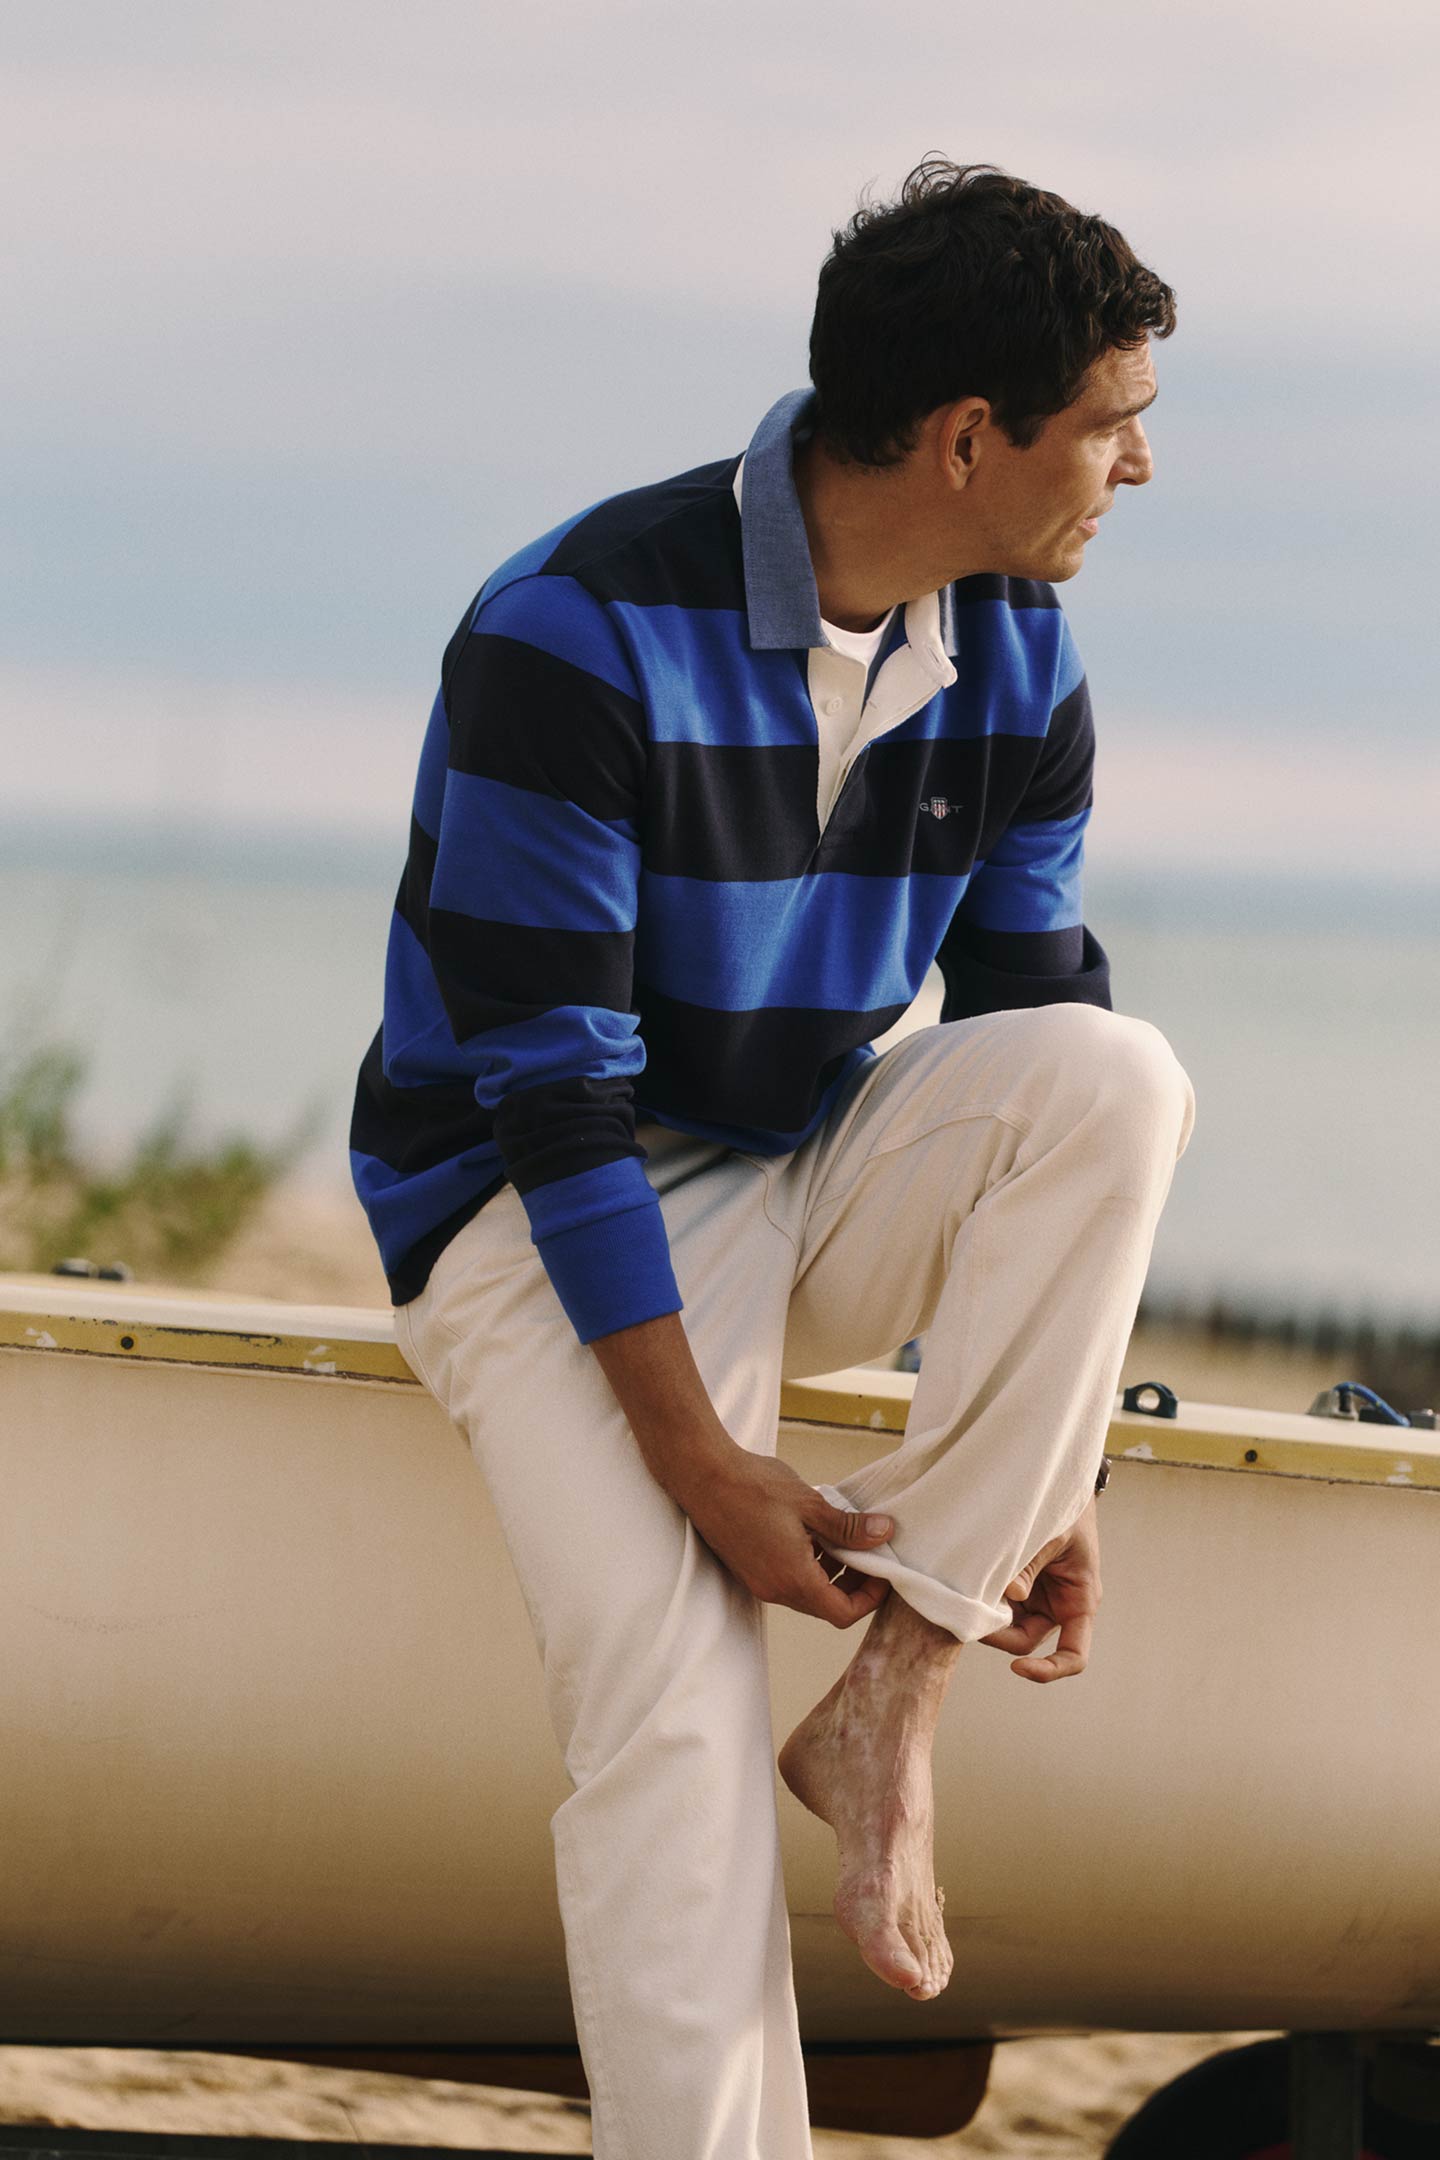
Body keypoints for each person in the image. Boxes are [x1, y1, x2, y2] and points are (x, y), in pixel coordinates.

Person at [350, 156, 1196, 2160]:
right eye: (1117, 422)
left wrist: (1026, 1469)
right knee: (669, 1708)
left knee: (1119, 1077)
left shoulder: (1015, 663)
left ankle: (896, 1684)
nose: (1138, 470)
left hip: (783, 1151)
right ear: (974, 439)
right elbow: (550, 1095)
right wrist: (693, 1457)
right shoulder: (572, 629)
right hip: (522, 1201)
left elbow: (1024, 1034)